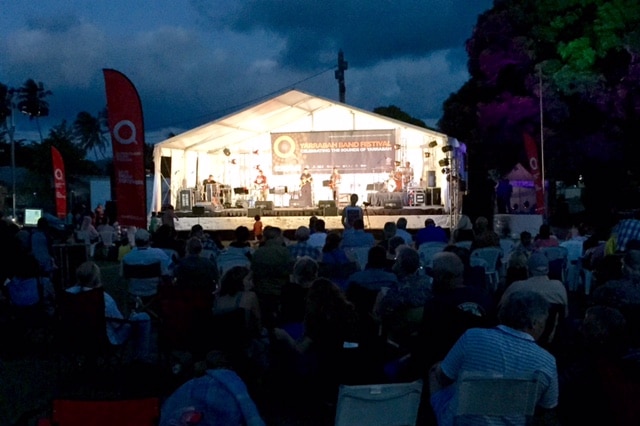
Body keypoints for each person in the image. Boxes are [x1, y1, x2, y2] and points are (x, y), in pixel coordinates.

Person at [429, 291, 559, 426]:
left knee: (436, 371)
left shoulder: (472, 337)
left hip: (459, 421)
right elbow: (547, 408)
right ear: (534, 323)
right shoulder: (547, 361)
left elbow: (443, 377)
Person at [67, 261, 152, 362]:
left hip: (74, 341)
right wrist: (131, 318)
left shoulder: (68, 295)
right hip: (103, 342)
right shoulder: (102, 298)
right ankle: (140, 359)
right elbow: (117, 324)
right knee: (143, 318)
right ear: (96, 277)